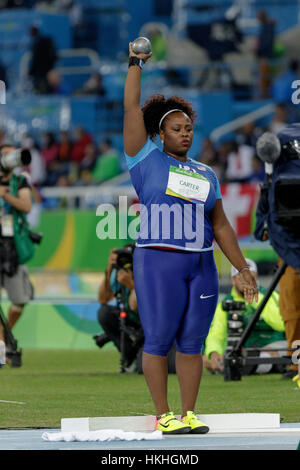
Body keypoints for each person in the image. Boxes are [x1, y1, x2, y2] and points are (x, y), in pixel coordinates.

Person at [123, 42, 258, 435]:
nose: (185, 135)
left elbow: (221, 226)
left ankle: (188, 413)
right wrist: (136, 65)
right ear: (159, 133)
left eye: (189, 130)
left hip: (200, 264)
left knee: (192, 342)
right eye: (176, 130)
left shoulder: (205, 173)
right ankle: (163, 414)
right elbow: (132, 110)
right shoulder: (144, 159)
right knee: (159, 338)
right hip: (158, 260)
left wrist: (243, 267)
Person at [203, 258, 286, 375]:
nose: (246, 280)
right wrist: (213, 352)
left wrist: (255, 299)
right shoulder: (225, 304)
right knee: (207, 358)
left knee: (269, 352)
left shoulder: (270, 295)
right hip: (243, 351)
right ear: (233, 280)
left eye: (250, 276)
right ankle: (242, 365)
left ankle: (247, 366)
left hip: (275, 345)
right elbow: (216, 334)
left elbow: (281, 324)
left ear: (256, 277)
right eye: (241, 276)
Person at [0, 144, 34, 363]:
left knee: (20, 301)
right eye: (7, 155)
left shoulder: (19, 181)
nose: (12, 159)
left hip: (12, 247)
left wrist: (6, 196)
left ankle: (3, 336)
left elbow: (26, 205)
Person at [94, 245, 143, 373]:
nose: (126, 263)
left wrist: (131, 285)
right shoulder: (121, 272)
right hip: (131, 319)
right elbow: (103, 299)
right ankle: (130, 356)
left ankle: (140, 356)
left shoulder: (145, 271)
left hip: (149, 323)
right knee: (104, 313)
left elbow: (135, 305)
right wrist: (109, 269)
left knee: (145, 367)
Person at [28, 25, 58, 94]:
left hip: (43, 71)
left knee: (45, 88)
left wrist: (31, 71)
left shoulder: (39, 43)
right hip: (45, 70)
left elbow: (36, 60)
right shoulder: (42, 41)